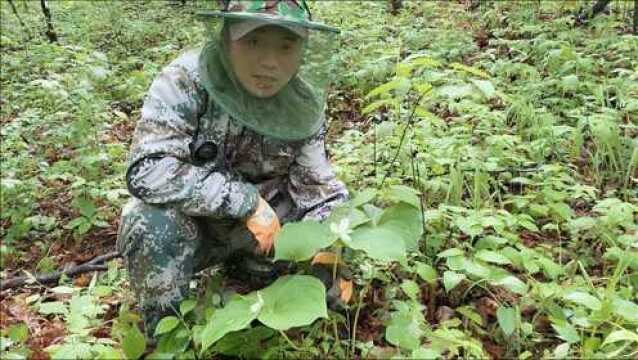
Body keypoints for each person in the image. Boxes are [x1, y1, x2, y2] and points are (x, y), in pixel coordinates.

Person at [116, 0, 348, 337]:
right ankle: (169, 340)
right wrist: (244, 201)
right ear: (226, 40)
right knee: (147, 222)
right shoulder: (186, 79)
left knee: (335, 261)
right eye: (253, 42)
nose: (269, 62)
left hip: (267, 236)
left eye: (286, 46)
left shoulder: (302, 104)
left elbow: (318, 187)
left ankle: (261, 299)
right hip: (198, 227)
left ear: (303, 51)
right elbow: (148, 169)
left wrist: (335, 250)